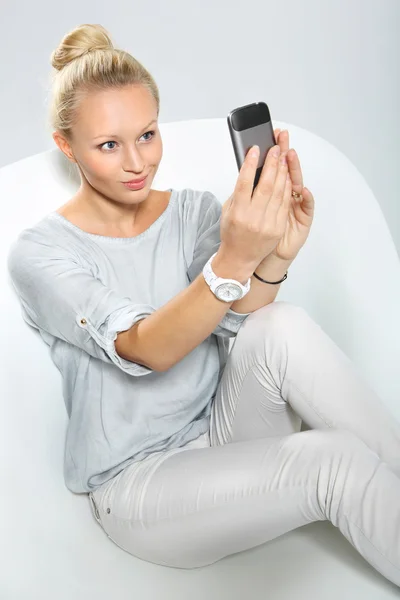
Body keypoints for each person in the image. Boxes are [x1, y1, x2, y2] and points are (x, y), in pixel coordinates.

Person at [7, 23, 400, 587]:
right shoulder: (41, 253)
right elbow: (145, 348)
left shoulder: (189, 210)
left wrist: (272, 259)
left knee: (280, 323)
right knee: (330, 461)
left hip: (223, 430)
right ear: (67, 146)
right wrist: (234, 260)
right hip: (140, 486)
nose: (137, 162)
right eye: (109, 145)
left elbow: (239, 315)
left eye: (147, 134)